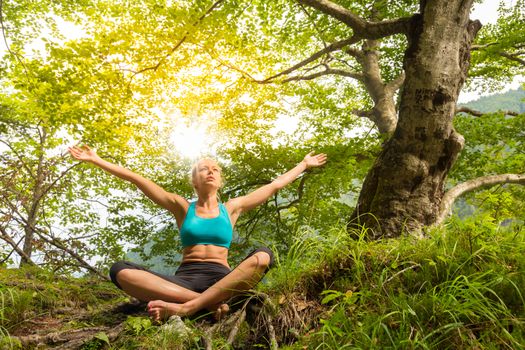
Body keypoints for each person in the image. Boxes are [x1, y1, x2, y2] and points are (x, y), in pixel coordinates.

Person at [68, 145, 327, 321]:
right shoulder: (181, 207)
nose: (210, 171)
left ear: (220, 179)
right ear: (195, 180)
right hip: (184, 281)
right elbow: (138, 179)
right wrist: (96, 160)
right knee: (120, 270)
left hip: (223, 279)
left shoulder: (232, 208)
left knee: (262, 257)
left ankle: (188, 307)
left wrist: (303, 164)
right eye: (204, 168)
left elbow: (275, 185)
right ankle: (210, 303)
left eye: (215, 169)